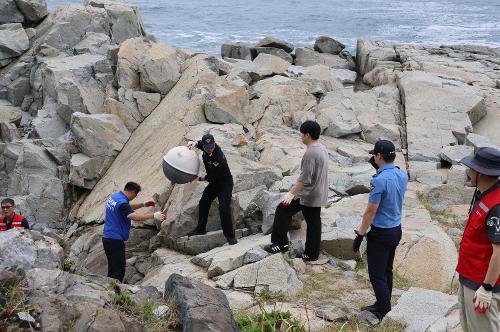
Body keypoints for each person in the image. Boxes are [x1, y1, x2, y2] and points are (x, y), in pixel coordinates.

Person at [352, 139, 408, 320]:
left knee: (376, 274)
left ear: (378, 157)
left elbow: (371, 211)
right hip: (396, 228)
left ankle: (384, 310)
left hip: (381, 232)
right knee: (387, 271)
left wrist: (360, 234)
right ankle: (383, 302)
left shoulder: (379, 180)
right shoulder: (402, 175)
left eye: (374, 155)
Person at [263, 120, 329, 261]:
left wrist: (291, 194)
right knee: (314, 223)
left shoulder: (310, 153)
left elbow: (304, 179)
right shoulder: (322, 148)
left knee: (282, 209)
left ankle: (280, 244)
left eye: (302, 134)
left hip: (308, 194)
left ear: (307, 135)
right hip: (319, 192)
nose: (301, 137)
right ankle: (312, 254)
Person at [456, 147, 500, 332]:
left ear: (480, 172)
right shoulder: (483, 194)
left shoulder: (497, 205)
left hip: (481, 285)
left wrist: (487, 288)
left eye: (471, 168)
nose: (469, 171)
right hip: (468, 277)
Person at [102, 181, 166, 282]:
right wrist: (153, 215)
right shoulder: (123, 203)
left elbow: (127, 207)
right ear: (132, 192)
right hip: (115, 240)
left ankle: (107, 287)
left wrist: (143, 204)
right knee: (119, 270)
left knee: (112, 267)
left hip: (106, 238)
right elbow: (136, 217)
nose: (135, 197)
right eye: (136, 194)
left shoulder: (115, 197)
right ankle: (114, 293)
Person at [186, 134, 237, 245]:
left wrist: (199, 178)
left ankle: (230, 237)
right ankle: (201, 228)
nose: (209, 149)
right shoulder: (204, 146)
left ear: (214, 144)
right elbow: (199, 143)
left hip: (224, 184)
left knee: (224, 209)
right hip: (214, 183)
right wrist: (193, 143)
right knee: (204, 202)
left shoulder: (218, 158)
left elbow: (213, 176)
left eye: (211, 147)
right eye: (207, 147)